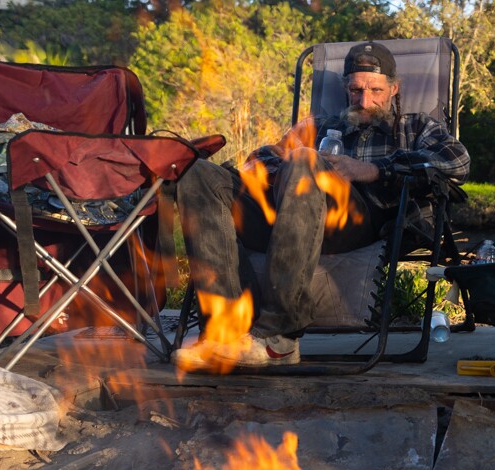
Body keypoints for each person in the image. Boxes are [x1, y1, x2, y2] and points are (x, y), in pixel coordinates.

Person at [171, 41, 470, 371]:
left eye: (375, 90)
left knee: (304, 159)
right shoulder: (318, 125)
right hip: (287, 216)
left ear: (394, 88)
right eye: (356, 90)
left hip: (360, 223)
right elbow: (259, 158)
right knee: (197, 173)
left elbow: (456, 162)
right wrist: (289, 169)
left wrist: (375, 169)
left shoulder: (413, 127)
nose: (365, 101)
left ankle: (278, 335)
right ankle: (224, 330)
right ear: (345, 88)